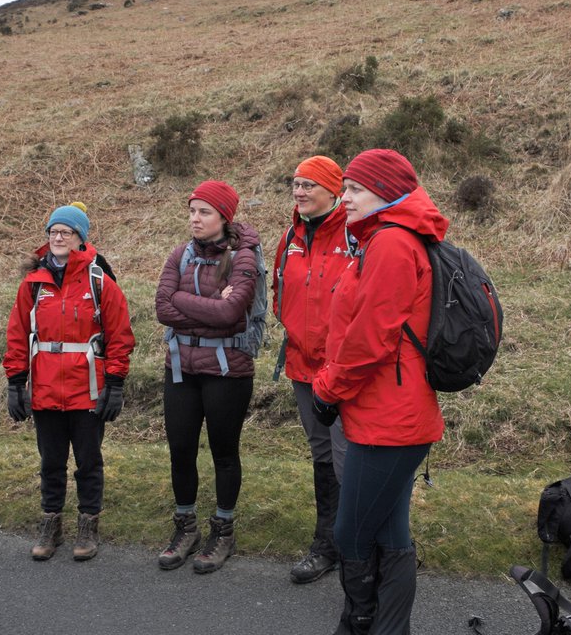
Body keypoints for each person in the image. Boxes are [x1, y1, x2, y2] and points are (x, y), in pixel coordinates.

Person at [313, 149, 447, 635]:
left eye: (354, 188)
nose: (343, 197)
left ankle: (360, 621)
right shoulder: (384, 239)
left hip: (390, 420)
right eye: (344, 187)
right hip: (385, 412)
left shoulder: (391, 244)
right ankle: (388, 629)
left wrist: (327, 389)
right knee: (389, 532)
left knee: (350, 532)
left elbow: (370, 339)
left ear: (385, 193)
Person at [2, 202, 135, 561]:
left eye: (66, 232)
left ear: (80, 239)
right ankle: (50, 525)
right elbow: (18, 335)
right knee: (51, 461)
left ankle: (88, 526)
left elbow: (120, 335)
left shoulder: (99, 282)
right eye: (53, 232)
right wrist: (16, 383)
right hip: (44, 389)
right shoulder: (33, 284)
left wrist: (116, 383)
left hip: (88, 389)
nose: (58, 238)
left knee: (89, 461)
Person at [154, 180, 262, 574]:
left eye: (204, 212)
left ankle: (223, 531)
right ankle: (185, 529)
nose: (194, 219)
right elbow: (162, 308)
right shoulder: (179, 255)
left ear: (223, 217)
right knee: (180, 450)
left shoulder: (243, 258)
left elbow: (230, 314)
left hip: (227, 372)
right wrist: (208, 305)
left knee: (223, 453)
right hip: (181, 369)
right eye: (192, 210)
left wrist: (194, 305)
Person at [272, 156, 352, 584]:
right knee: (323, 456)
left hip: (347, 370)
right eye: (295, 184)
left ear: (333, 189)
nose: (299, 192)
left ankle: (369, 547)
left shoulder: (355, 235)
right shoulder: (290, 235)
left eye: (308, 185)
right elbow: (281, 292)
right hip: (303, 367)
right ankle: (327, 545)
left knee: (350, 460)